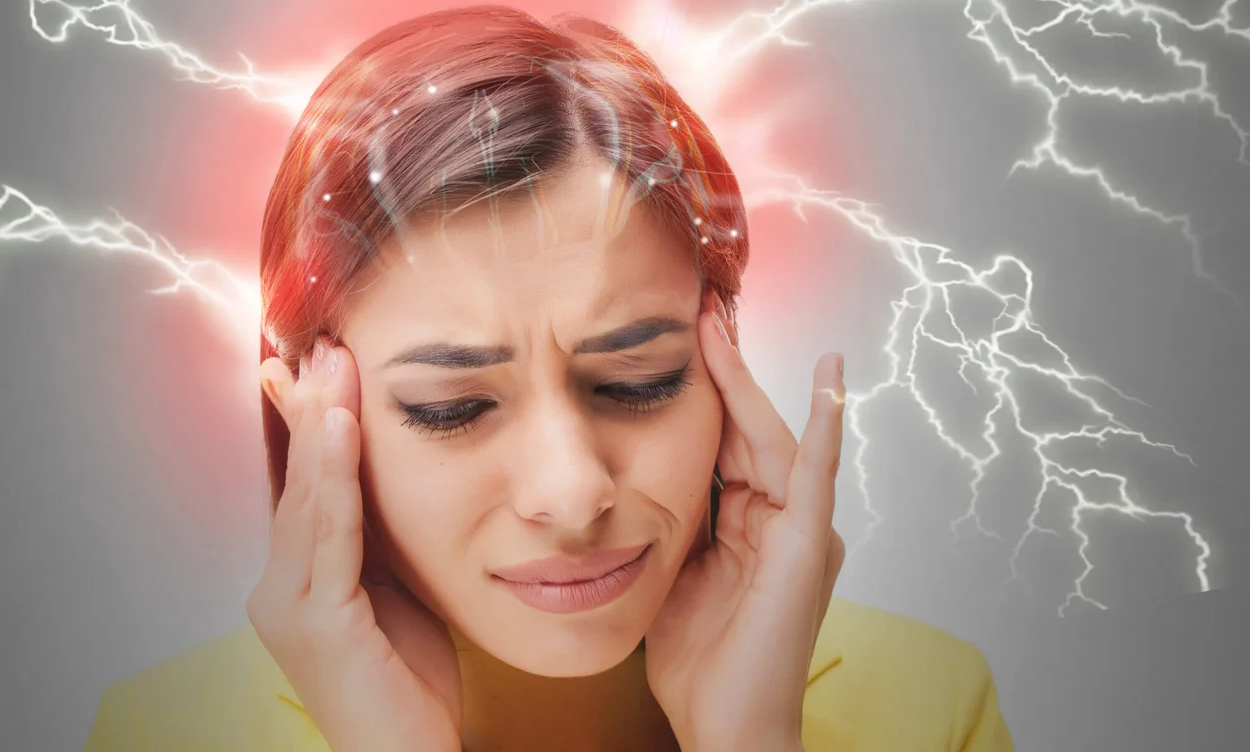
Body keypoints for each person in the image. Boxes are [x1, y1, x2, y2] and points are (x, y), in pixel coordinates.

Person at [85, 6, 1012, 751]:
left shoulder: (931, 712)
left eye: (638, 381)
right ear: (312, 404)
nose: (572, 494)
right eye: (452, 408)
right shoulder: (161, 734)